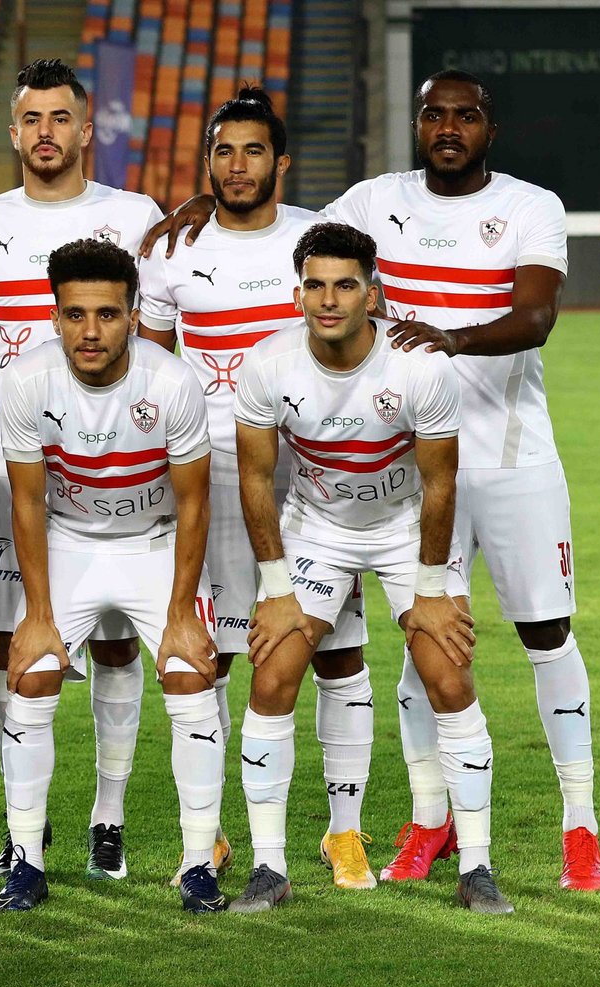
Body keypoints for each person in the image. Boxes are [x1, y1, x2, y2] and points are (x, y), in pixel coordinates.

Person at [146, 70, 600, 891]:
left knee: (544, 632)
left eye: (466, 116)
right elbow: (269, 216)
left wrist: (446, 342)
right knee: (424, 648)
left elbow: (537, 316)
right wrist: (201, 205)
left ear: (489, 130)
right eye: (434, 114)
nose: (449, 127)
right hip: (397, 468)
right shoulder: (366, 202)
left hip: (505, 453)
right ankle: (429, 822)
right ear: (417, 124)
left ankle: (581, 825)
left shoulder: (533, 204)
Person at [229, 222, 512, 915]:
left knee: (447, 673)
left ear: (372, 292)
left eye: (345, 285)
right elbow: (257, 477)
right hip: (317, 528)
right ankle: (269, 866)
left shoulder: (419, 367)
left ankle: (476, 864)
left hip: (403, 527)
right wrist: (273, 587)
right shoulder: (266, 365)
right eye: (316, 285)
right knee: (272, 674)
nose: (330, 300)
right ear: (298, 293)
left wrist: (432, 588)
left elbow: (441, 484)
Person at [137, 87, 378, 889]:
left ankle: (343, 833)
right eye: (222, 152)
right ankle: (206, 836)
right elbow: (151, 366)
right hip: (203, 474)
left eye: (252, 152)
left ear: (280, 161)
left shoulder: (317, 242)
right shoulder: (169, 250)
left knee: (335, 654)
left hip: (303, 478)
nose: (237, 167)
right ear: (206, 162)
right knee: (206, 657)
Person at [0, 58, 168, 882]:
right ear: (13, 133)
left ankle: (107, 816)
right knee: (16, 639)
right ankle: (25, 829)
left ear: (86, 129)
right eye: (31, 120)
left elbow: (156, 335)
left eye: (60, 118)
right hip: (17, 459)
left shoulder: (137, 215)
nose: (46, 133)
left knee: (116, 645)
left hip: (116, 456)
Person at [0, 240, 220, 912]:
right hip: (68, 544)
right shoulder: (27, 382)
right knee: (31, 678)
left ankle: (198, 863)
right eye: (74, 315)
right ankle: (27, 859)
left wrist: (183, 611)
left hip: (153, 545)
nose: (89, 331)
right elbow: (29, 504)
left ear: (132, 315)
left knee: (191, 678)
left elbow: (193, 504)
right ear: (55, 315)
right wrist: (36, 612)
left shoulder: (173, 383)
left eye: (106, 314)